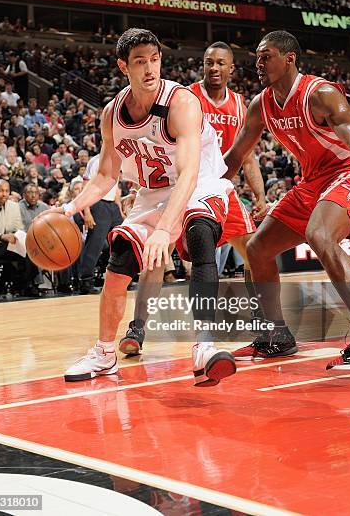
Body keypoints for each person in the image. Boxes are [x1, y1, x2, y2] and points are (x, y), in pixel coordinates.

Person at [45, 27, 236, 386]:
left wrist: (165, 229)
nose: (150, 69)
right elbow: (105, 176)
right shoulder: (112, 114)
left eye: (155, 59)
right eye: (140, 62)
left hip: (199, 183)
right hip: (151, 192)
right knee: (118, 266)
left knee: (197, 231)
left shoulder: (181, 104)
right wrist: (68, 210)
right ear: (123, 66)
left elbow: (189, 173)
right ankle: (104, 354)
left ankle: (205, 346)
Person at [224, 30, 350, 369]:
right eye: (257, 56)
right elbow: (236, 155)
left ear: (289, 58)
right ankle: (277, 336)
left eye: (266, 55)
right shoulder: (261, 104)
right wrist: (197, 188)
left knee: (319, 235)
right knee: (257, 249)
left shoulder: (320, 92)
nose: (258, 62)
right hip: (313, 182)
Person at [119, 41, 266, 356]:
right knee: (158, 252)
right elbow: (150, 145)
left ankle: (260, 316)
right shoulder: (184, 96)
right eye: (208, 62)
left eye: (220, 63)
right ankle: (138, 327)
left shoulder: (240, 105)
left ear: (231, 68)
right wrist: (138, 191)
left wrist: (260, 197)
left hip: (218, 187)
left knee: (254, 249)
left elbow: (249, 158)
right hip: (178, 184)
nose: (213, 68)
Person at [0, 180, 39, 301]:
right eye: (1, 191)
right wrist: (1, 236)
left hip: (5, 245)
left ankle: (25, 284)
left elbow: (18, 228)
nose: (4, 194)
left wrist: (17, 236)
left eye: (6, 191)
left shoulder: (14, 206)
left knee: (27, 244)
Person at [77, 153, 123, 294]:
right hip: (98, 205)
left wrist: (120, 210)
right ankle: (86, 281)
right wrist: (87, 212)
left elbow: (115, 189)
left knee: (122, 241)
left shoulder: (119, 160)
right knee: (94, 245)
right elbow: (85, 187)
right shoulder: (96, 161)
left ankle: (120, 279)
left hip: (112, 207)